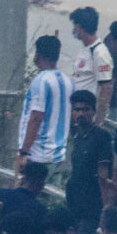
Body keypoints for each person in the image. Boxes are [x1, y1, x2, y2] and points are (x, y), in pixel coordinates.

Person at [20, 35, 75, 167]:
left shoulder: (41, 81)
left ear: (38, 55)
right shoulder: (68, 82)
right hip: (59, 155)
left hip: (38, 156)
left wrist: (24, 152)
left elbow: (36, 118)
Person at [64, 91, 117, 222]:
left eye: (86, 109)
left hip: (94, 203)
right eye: (77, 110)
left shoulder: (101, 136)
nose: (81, 114)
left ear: (93, 112)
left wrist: (106, 206)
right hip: (77, 202)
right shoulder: (79, 137)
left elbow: (103, 171)